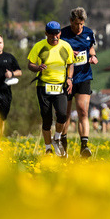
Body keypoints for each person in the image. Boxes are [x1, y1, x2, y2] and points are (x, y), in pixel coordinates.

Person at [27, 22, 75, 156]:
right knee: (47, 119)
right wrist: (37, 68)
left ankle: (57, 138)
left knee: (63, 115)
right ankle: (48, 149)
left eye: (57, 33)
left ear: (60, 33)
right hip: (43, 86)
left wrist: (69, 79)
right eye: (52, 34)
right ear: (46, 33)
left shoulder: (66, 46)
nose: (55, 36)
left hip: (60, 86)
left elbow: (71, 64)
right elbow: (30, 64)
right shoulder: (39, 46)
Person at [62, 7, 98, 157]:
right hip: (66, 78)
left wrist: (93, 56)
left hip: (84, 76)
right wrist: (68, 54)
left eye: (81, 24)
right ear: (71, 21)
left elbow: (91, 48)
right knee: (65, 113)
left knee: (83, 111)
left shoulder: (88, 33)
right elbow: (56, 52)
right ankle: (62, 144)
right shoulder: (62, 34)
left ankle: (84, 146)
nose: (79, 27)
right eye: (76, 24)